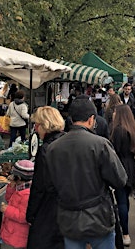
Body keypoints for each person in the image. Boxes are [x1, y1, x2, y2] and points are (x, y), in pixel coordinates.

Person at [46, 98, 127, 249]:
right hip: (99, 217)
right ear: (91, 119)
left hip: (68, 217)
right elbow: (120, 179)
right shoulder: (100, 144)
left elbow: (51, 184)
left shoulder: (53, 148)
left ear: (71, 119)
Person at [26, 106, 65, 249]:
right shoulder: (67, 140)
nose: (35, 129)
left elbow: (39, 187)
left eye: (37, 125)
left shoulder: (46, 150)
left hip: (50, 208)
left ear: (44, 125)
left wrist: (31, 214)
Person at [110, 104, 135, 246]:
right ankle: (125, 226)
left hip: (120, 165)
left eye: (115, 111)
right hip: (131, 165)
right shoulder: (133, 128)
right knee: (125, 199)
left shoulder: (118, 130)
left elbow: (115, 150)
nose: (113, 114)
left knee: (120, 200)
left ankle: (125, 233)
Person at [0, 159, 35, 249]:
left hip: (20, 234)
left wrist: (7, 210)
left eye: (13, 175)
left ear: (18, 178)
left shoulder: (27, 194)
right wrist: (11, 187)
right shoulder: (20, 188)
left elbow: (24, 216)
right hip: (15, 230)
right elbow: (10, 199)